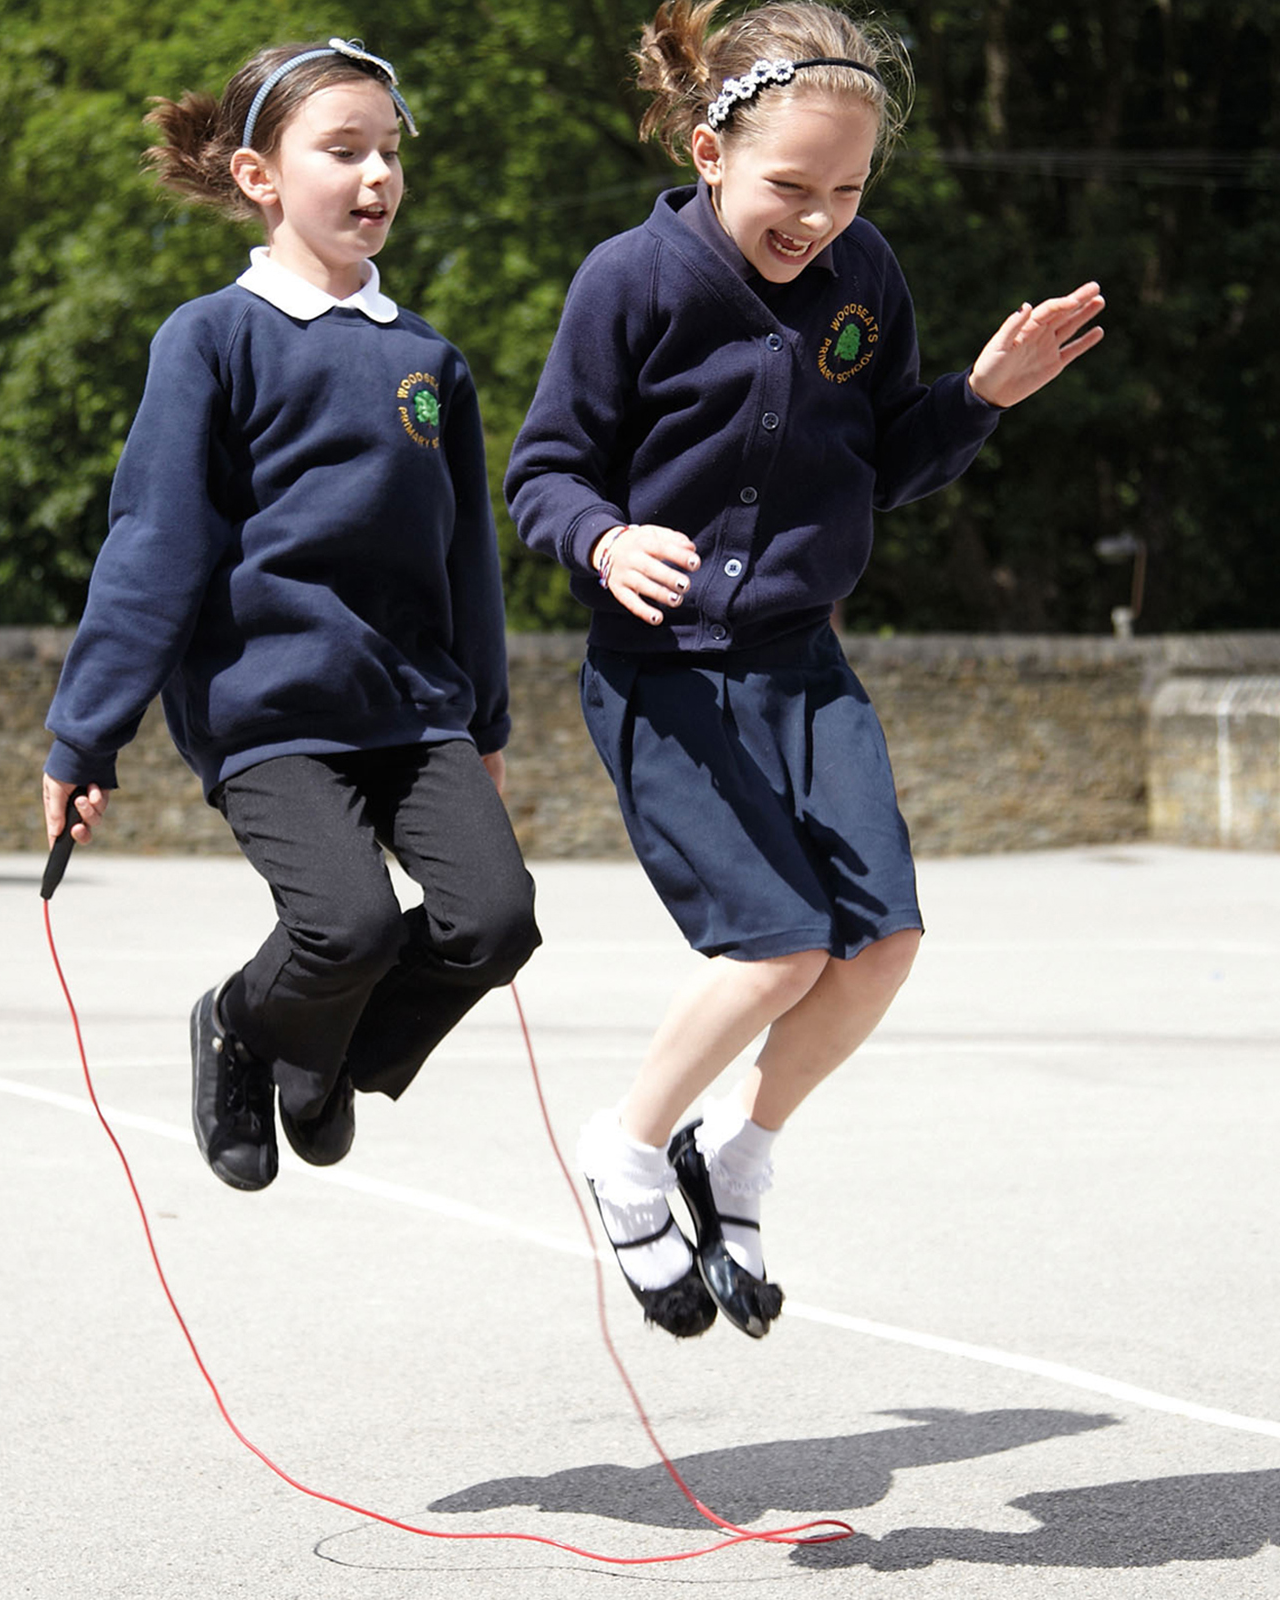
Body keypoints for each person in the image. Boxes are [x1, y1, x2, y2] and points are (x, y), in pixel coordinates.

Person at [507, 0, 1103, 1339]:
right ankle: (626, 1147)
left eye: (849, 190)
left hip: (803, 668)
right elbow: (543, 471)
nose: (821, 219)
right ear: (709, 150)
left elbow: (885, 461)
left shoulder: (864, 273)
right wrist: (604, 540)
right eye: (791, 187)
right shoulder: (629, 281)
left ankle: (737, 1153)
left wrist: (980, 398)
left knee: (882, 943)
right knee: (778, 947)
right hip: (665, 679)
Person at [43, 38, 540, 1193]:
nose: (377, 176)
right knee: (348, 927)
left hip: (415, 712)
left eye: (390, 152)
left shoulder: (429, 359)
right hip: (270, 717)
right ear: (259, 176)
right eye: (344, 150)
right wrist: (84, 734)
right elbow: (155, 545)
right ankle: (239, 1021)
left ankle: (318, 1049)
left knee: (495, 922)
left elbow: (465, 554)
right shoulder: (213, 338)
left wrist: (487, 720)